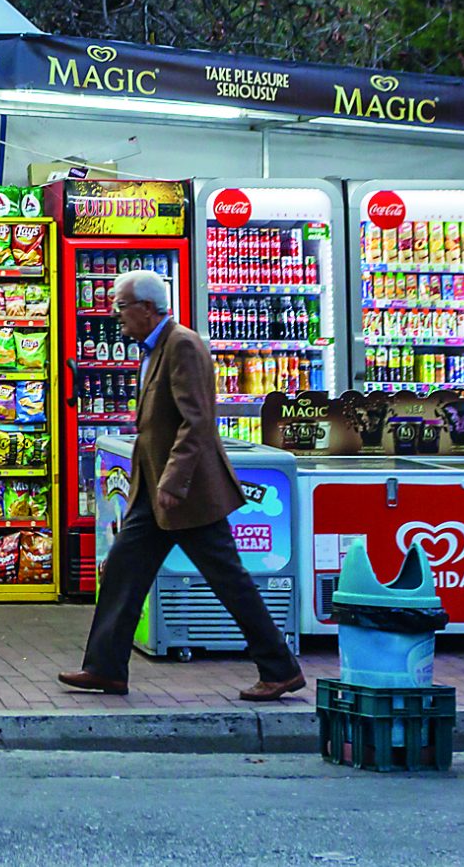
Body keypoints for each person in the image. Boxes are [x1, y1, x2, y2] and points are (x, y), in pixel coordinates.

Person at [60, 270, 305, 702]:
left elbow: (198, 423)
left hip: (185, 495)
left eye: (122, 306)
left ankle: (280, 668)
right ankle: (105, 668)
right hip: (153, 493)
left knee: (229, 579)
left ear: (147, 308)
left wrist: (173, 481)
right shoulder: (154, 348)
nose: (117, 316)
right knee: (121, 572)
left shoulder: (183, 345)